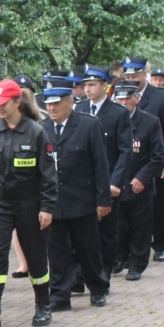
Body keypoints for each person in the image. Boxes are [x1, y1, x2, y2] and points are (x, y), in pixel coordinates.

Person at [0, 78, 58, 327]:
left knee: (36, 256)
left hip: (30, 203)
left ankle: (43, 306)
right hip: (1, 205)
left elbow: (48, 174)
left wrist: (47, 207)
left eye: (3, 103)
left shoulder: (36, 131)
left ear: (17, 102)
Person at [41, 78, 112, 310]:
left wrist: (103, 200)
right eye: (49, 104)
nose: (52, 108)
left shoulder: (88, 125)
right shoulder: (42, 128)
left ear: (70, 102)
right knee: (57, 252)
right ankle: (60, 295)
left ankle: (98, 288)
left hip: (82, 201)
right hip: (54, 203)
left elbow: (100, 165)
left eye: (57, 104)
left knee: (88, 249)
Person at [76, 66, 132, 277]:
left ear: (104, 86)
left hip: (107, 181)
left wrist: (116, 182)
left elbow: (125, 151)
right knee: (83, 229)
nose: (88, 89)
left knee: (108, 229)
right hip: (83, 182)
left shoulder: (118, 113)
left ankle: (105, 268)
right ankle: (83, 270)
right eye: (85, 85)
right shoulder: (79, 109)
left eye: (92, 85)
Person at [122, 57, 164, 263]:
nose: (131, 79)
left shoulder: (162, 97)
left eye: (135, 75)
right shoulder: (121, 96)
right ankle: (130, 250)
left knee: (159, 204)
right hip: (133, 162)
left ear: (145, 74)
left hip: (156, 160)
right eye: (127, 76)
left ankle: (161, 242)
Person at [112, 82, 164, 281]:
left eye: (128, 98)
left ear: (137, 99)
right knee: (119, 226)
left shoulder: (149, 122)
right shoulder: (110, 121)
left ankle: (137, 263)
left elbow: (158, 156)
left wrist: (143, 177)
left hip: (139, 184)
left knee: (139, 228)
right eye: (120, 99)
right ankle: (118, 259)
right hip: (117, 183)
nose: (124, 102)